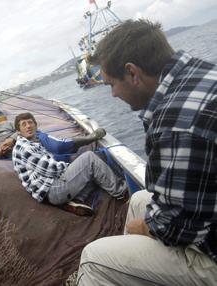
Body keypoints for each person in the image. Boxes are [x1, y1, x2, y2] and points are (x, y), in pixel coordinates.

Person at [77, 19, 217, 285]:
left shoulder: (175, 123)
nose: (114, 94)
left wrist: (144, 229)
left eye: (111, 84)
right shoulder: (199, 74)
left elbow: (178, 229)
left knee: (93, 257)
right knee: (140, 198)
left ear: (132, 73)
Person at [12, 112, 126, 216]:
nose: (28, 126)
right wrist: (72, 165)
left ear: (36, 125)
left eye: (30, 122)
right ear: (18, 131)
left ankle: (77, 201)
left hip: (48, 191)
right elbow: (52, 170)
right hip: (53, 190)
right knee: (89, 158)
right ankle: (121, 193)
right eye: (23, 124)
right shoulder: (25, 148)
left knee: (91, 171)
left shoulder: (31, 142)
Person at [0, 111, 107, 160]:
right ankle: (83, 158)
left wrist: (11, 138)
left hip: (33, 137)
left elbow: (20, 128)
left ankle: (90, 138)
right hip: (22, 152)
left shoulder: (5, 124)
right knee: (53, 158)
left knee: (59, 146)